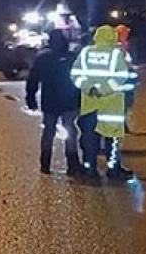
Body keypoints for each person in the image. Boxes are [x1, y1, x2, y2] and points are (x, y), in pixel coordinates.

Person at [71, 24, 134, 179]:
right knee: (112, 140)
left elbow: (75, 74)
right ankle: (113, 169)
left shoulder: (85, 53)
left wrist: (89, 88)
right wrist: (104, 89)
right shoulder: (115, 54)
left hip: (90, 105)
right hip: (110, 106)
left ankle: (90, 168)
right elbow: (121, 76)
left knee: (90, 140)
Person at [25, 29, 82, 175]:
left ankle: (45, 163)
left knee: (48, 132)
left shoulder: (43, 58)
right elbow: (79, 79)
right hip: (69, 100)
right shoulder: (71, 57)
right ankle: (73, 164)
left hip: (49, 101)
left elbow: (33, 79)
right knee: (70, 131)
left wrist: (30, 98)